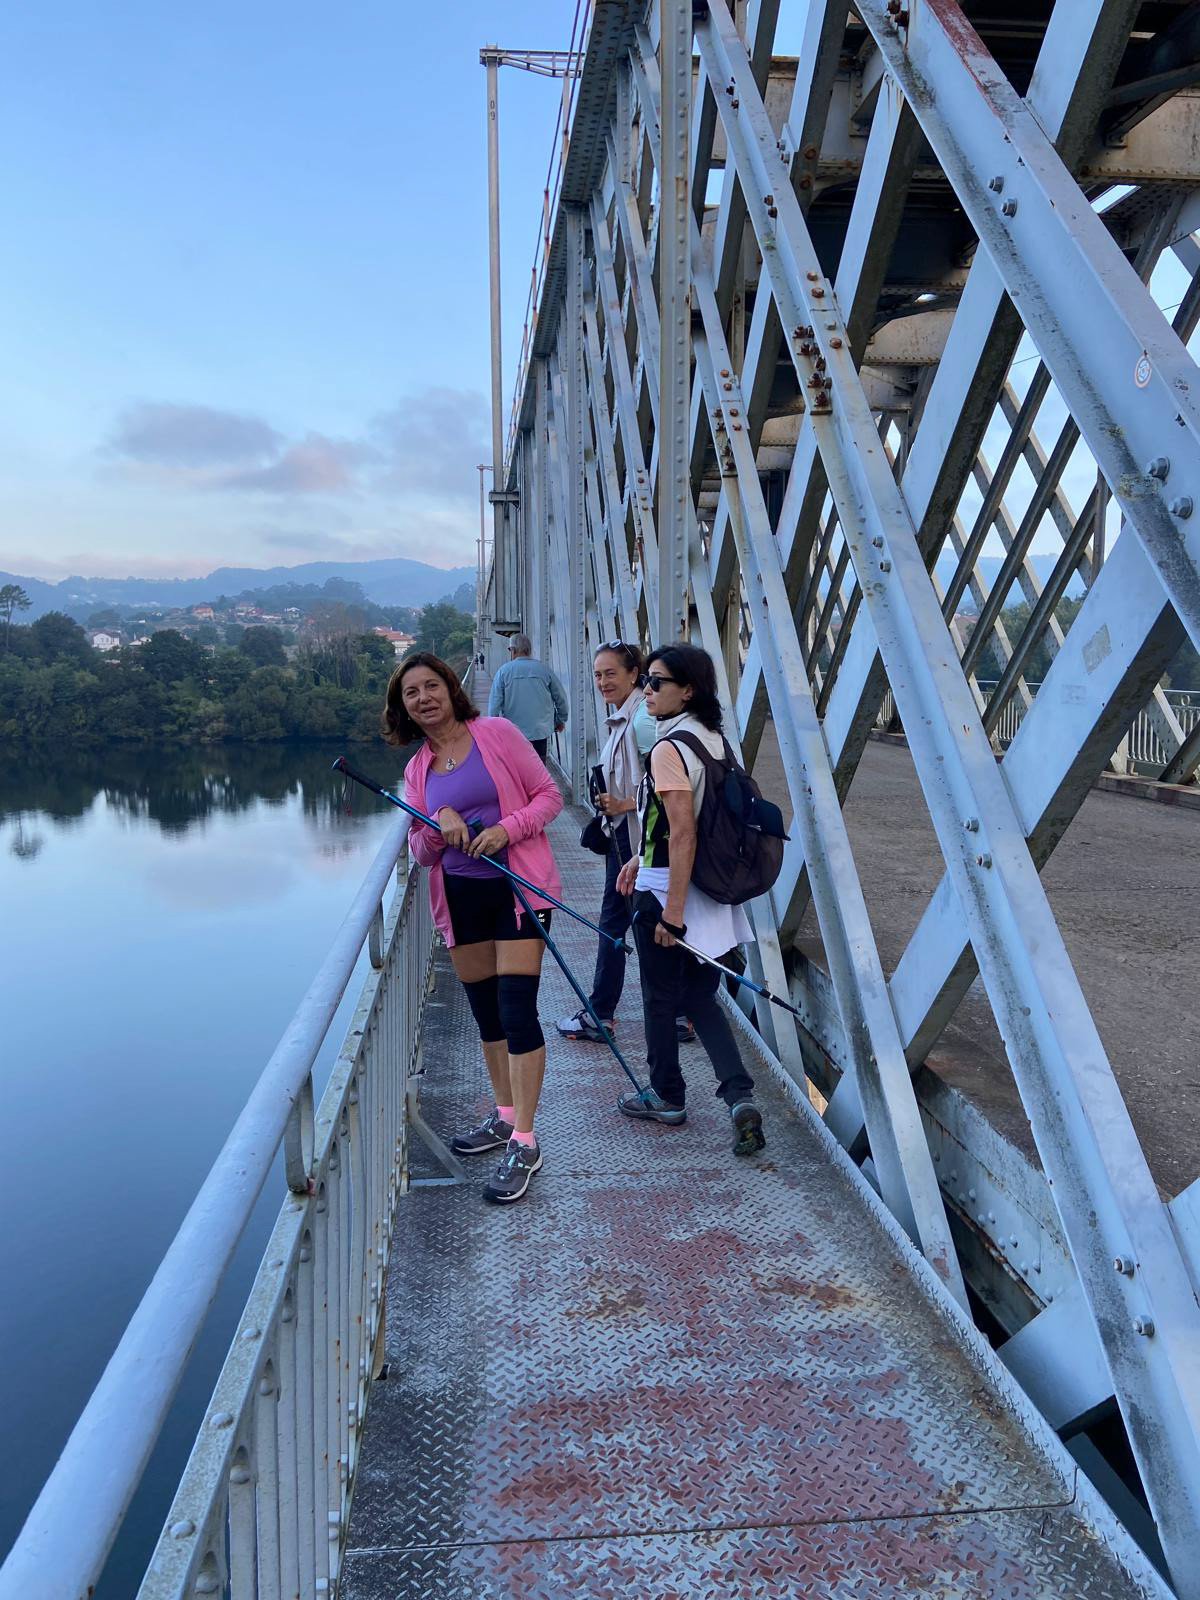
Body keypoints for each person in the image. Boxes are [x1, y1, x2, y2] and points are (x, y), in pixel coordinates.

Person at [384, 651, 564, 1204]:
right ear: (403, 708)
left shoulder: (498, 734)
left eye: (431, 685)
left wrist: (508, 829)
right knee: (487, 1016)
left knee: (516, 1010)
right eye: (411, 693)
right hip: (461, 898)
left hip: (517, 891)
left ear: (450, 688)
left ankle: (526, 1142)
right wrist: (437, 822)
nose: (424, 698)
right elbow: (422, 853)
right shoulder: (417, 772)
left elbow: (550, 796)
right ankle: (505, 1116)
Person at [616, 643, 766, 1156]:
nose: (646, 690)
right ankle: (739, 1097)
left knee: (659, 1000)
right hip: (712, 893)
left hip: (669, 895)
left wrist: (672, 914)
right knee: (701, 998)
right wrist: (638, 858)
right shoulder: (714, 740)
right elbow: (678, 824)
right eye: (646, 680)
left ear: (688, 690)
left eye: (656, 682)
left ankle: (666, 1096)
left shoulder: (668, 748)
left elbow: (683, 832)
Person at [488, 633, 568, 761]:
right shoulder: (544, 670)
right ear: (529, 650)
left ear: (513, 650)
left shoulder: (503, 672)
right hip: (540, 732)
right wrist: (560, 720)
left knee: (516, 768)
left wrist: (494, 731)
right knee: (538, 767)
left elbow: (494, 706)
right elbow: (561, 698)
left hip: (513, 733)